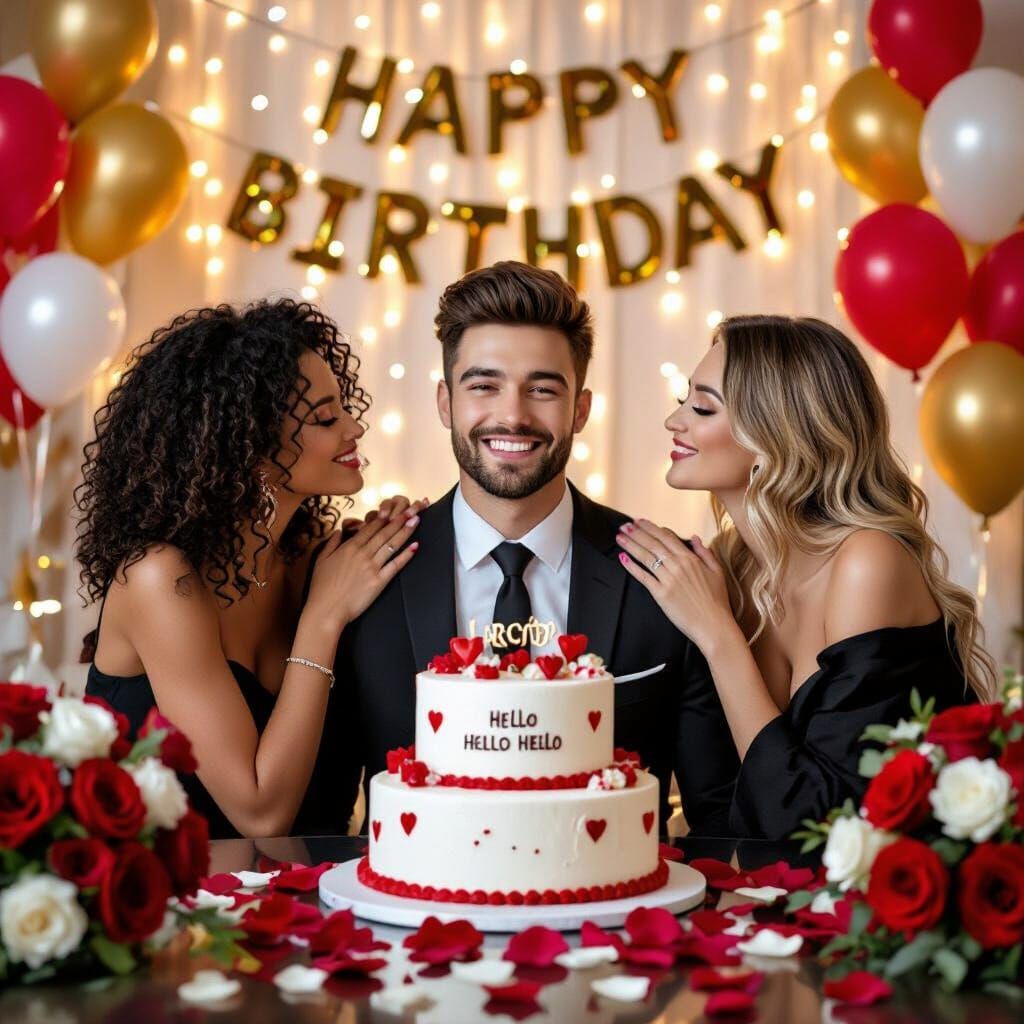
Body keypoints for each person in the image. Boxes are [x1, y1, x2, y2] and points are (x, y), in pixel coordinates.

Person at [331, 261, 738, 833]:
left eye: (542, 389)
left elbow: (720, 821)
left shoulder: (663, 578)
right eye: (484, 386)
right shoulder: (362, 574)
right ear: (445, 403)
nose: (513, 415)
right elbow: (318, 822)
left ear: (581, 409)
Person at [616, 314, 995, 840]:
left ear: (777, 433)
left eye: (702, 407)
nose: (673, 422)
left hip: (899, 902)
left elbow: (818, 821)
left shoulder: (866, 563)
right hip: (772, 898)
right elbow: (721, 801)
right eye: (685, 400)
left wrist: (719, 635)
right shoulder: (729, 565)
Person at [78, 299, 424, 839]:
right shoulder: (160, 579)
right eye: (326, 418)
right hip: (178, 910)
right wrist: (323, 619)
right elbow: (261, 812)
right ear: (251, 449)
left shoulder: (311, 555)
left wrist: (396, 540)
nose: (354, 427)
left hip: (319, 904)